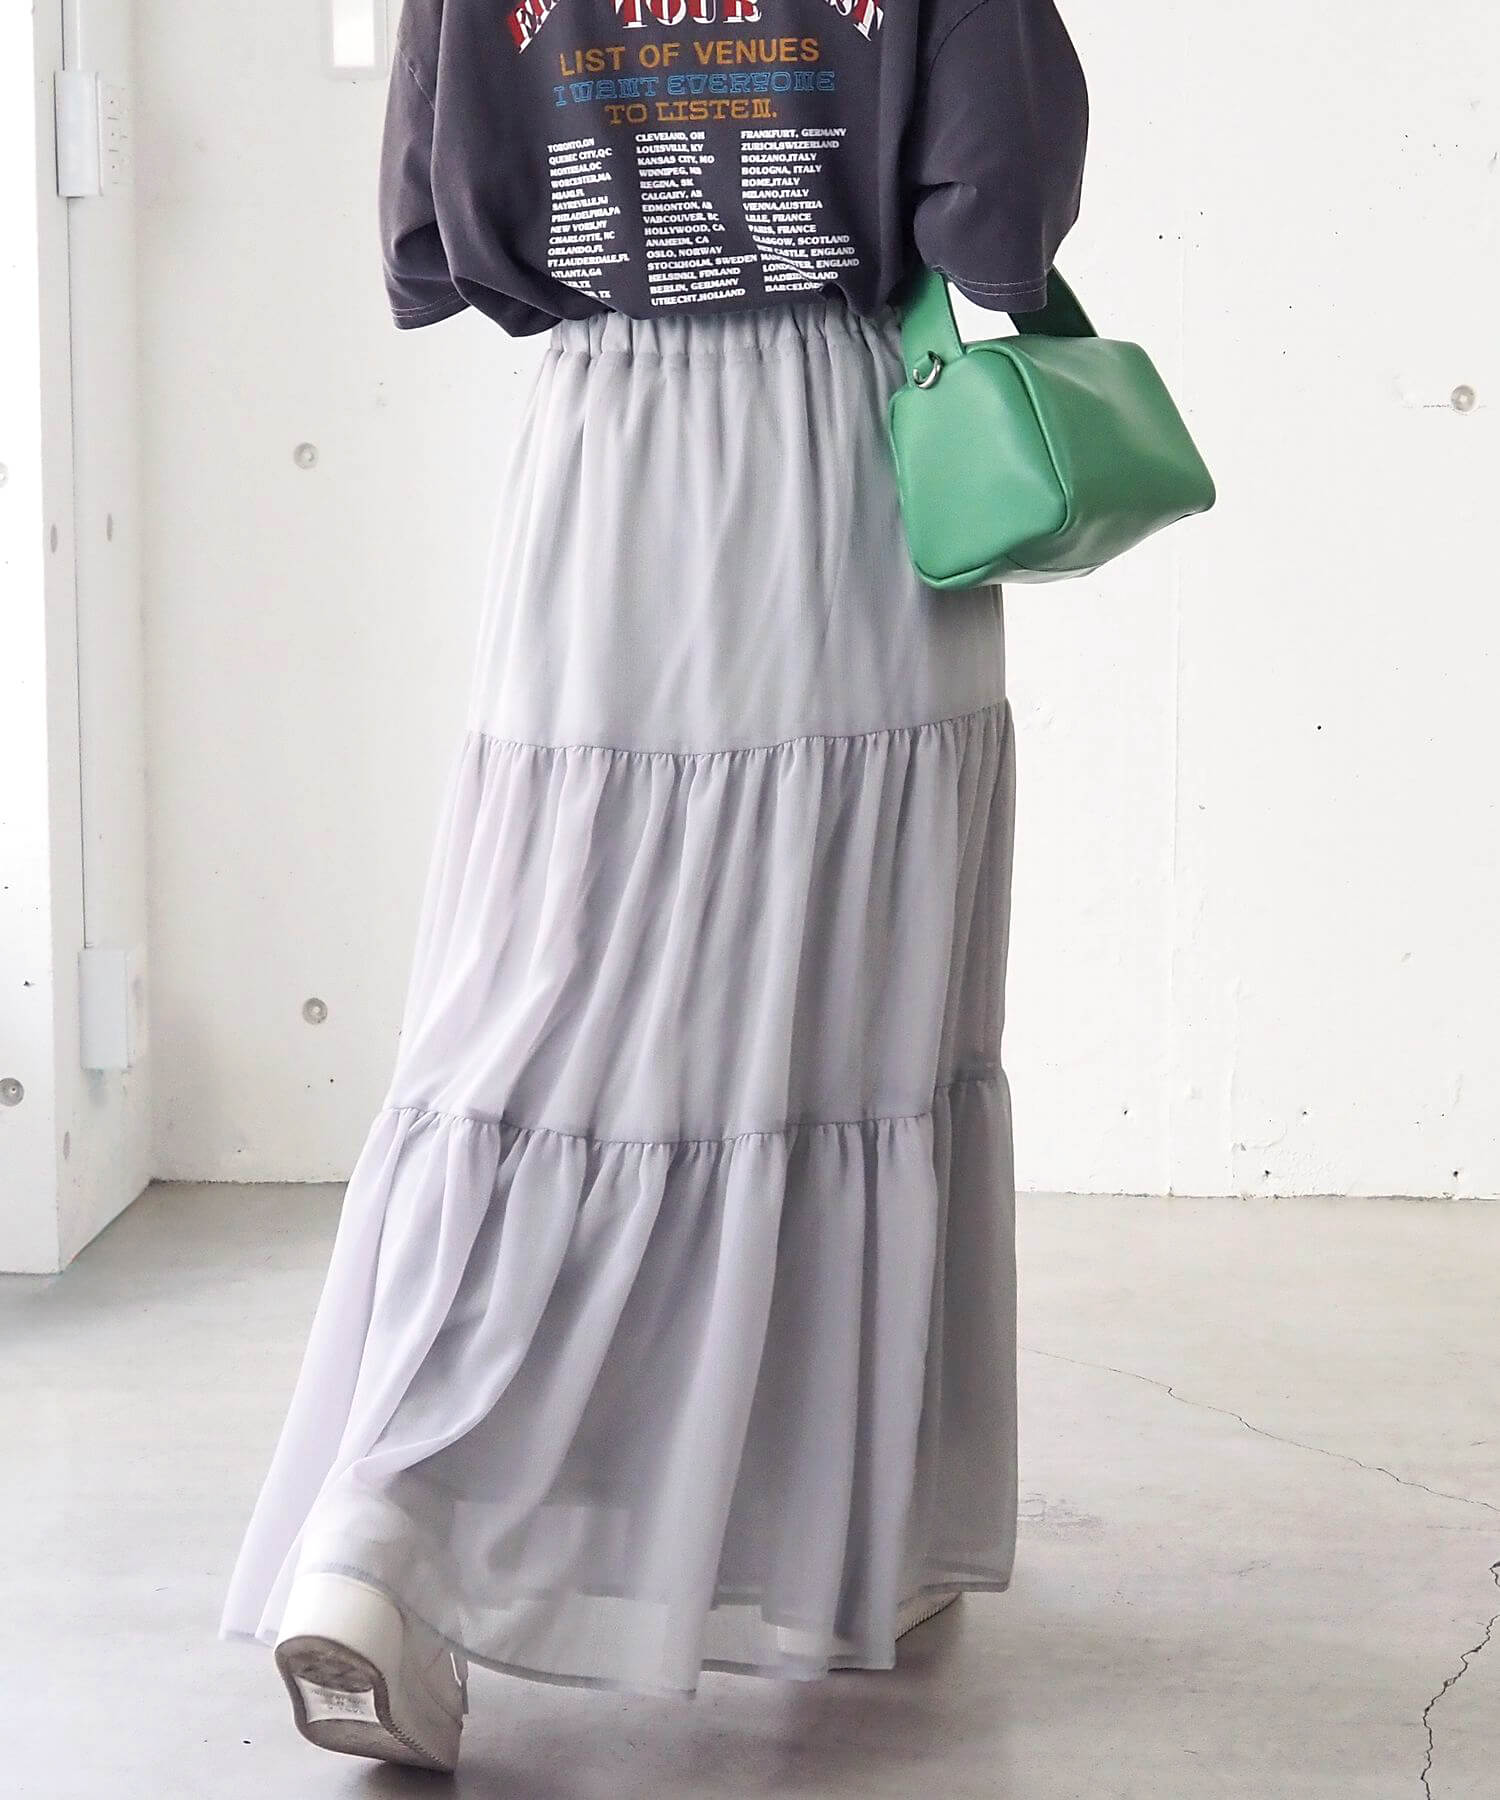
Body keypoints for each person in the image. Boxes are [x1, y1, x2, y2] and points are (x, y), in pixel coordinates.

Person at [217, 0, 1088, 1770]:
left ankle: (387, 1530)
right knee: (832, 1001)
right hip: (841, 455)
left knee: (552, 979)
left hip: (604, 461)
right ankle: (741, 1532)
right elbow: (996, 200)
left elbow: (432, 229)